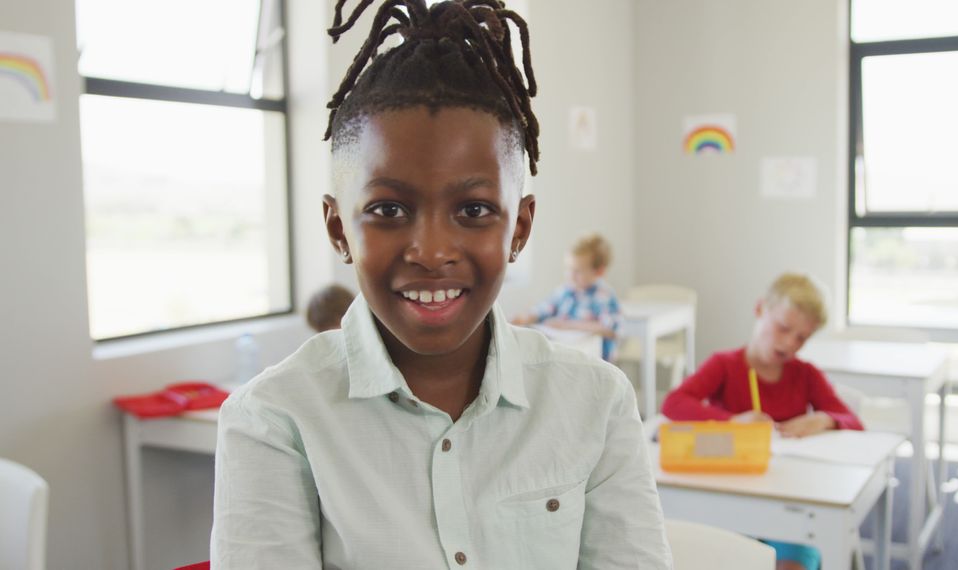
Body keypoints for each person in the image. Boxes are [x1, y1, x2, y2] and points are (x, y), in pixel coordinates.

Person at [210, 2, 672, 568]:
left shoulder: (594, 402)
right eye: (388, 209)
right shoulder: (274, 419)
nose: (430, 252)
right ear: (339, 229)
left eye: (474, 209)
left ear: (519, 228)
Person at [660, 272, 862, 570]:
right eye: (783, 328)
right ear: (760, 309)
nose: (790, 343)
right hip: (729, 501)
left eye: (802, 338)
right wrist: (731, 421)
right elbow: (673, 403)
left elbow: (853, 422)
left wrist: (824, 419)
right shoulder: (725, 365)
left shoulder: (805, 374)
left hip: (790, 505)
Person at [511, 233, 622, 361]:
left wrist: (568, 325)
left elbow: (612, 328)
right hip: (565, 353)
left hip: (593, 359)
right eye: (568, 269)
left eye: (577, 271)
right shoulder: (566, 291)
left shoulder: (604, 296)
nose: (570, 275)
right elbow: (544, 309)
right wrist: (524, 318)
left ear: (599, 271)